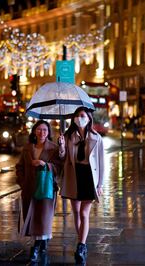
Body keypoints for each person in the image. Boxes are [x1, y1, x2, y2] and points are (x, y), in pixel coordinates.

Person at [58, 107, 105, 264]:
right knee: (76, 213)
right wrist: (62, 146)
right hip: (74, 176)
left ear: (89, 118)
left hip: (89, 177)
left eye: (82, 115)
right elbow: (62, 158)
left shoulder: (96, 138)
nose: (79, 118)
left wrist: (100, 184)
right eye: (77, 116)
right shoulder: (68, 136)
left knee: (84, 213)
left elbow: (101, 162)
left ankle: (81, 244)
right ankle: (81, 243)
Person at [15, 120, 62, 263]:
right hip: (29, 188)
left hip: (46, 188)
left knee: (43, 218)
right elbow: (19, 167)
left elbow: (59, 168)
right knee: (32, 217)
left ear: (48, 133)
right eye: (39, 129)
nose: (42, 132)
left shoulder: (53, 148)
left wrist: (45, 164)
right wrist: (22, 183)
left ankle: (36, 247)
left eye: (45, 130)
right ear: (34, 131)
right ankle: (42, 243)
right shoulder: (27, 148)